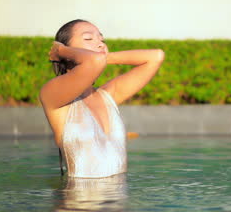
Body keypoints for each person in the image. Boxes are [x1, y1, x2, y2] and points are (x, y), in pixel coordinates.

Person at [39, 19, 164, 178]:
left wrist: (105, 57)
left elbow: (156, 57)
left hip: (117, 200)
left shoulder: (107, 95)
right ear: (67, 49)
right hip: (77, 202)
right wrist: (61, 52)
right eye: (88, 39)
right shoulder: (52, 94)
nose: (100, 44)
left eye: (102, 40)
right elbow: (94, 61)